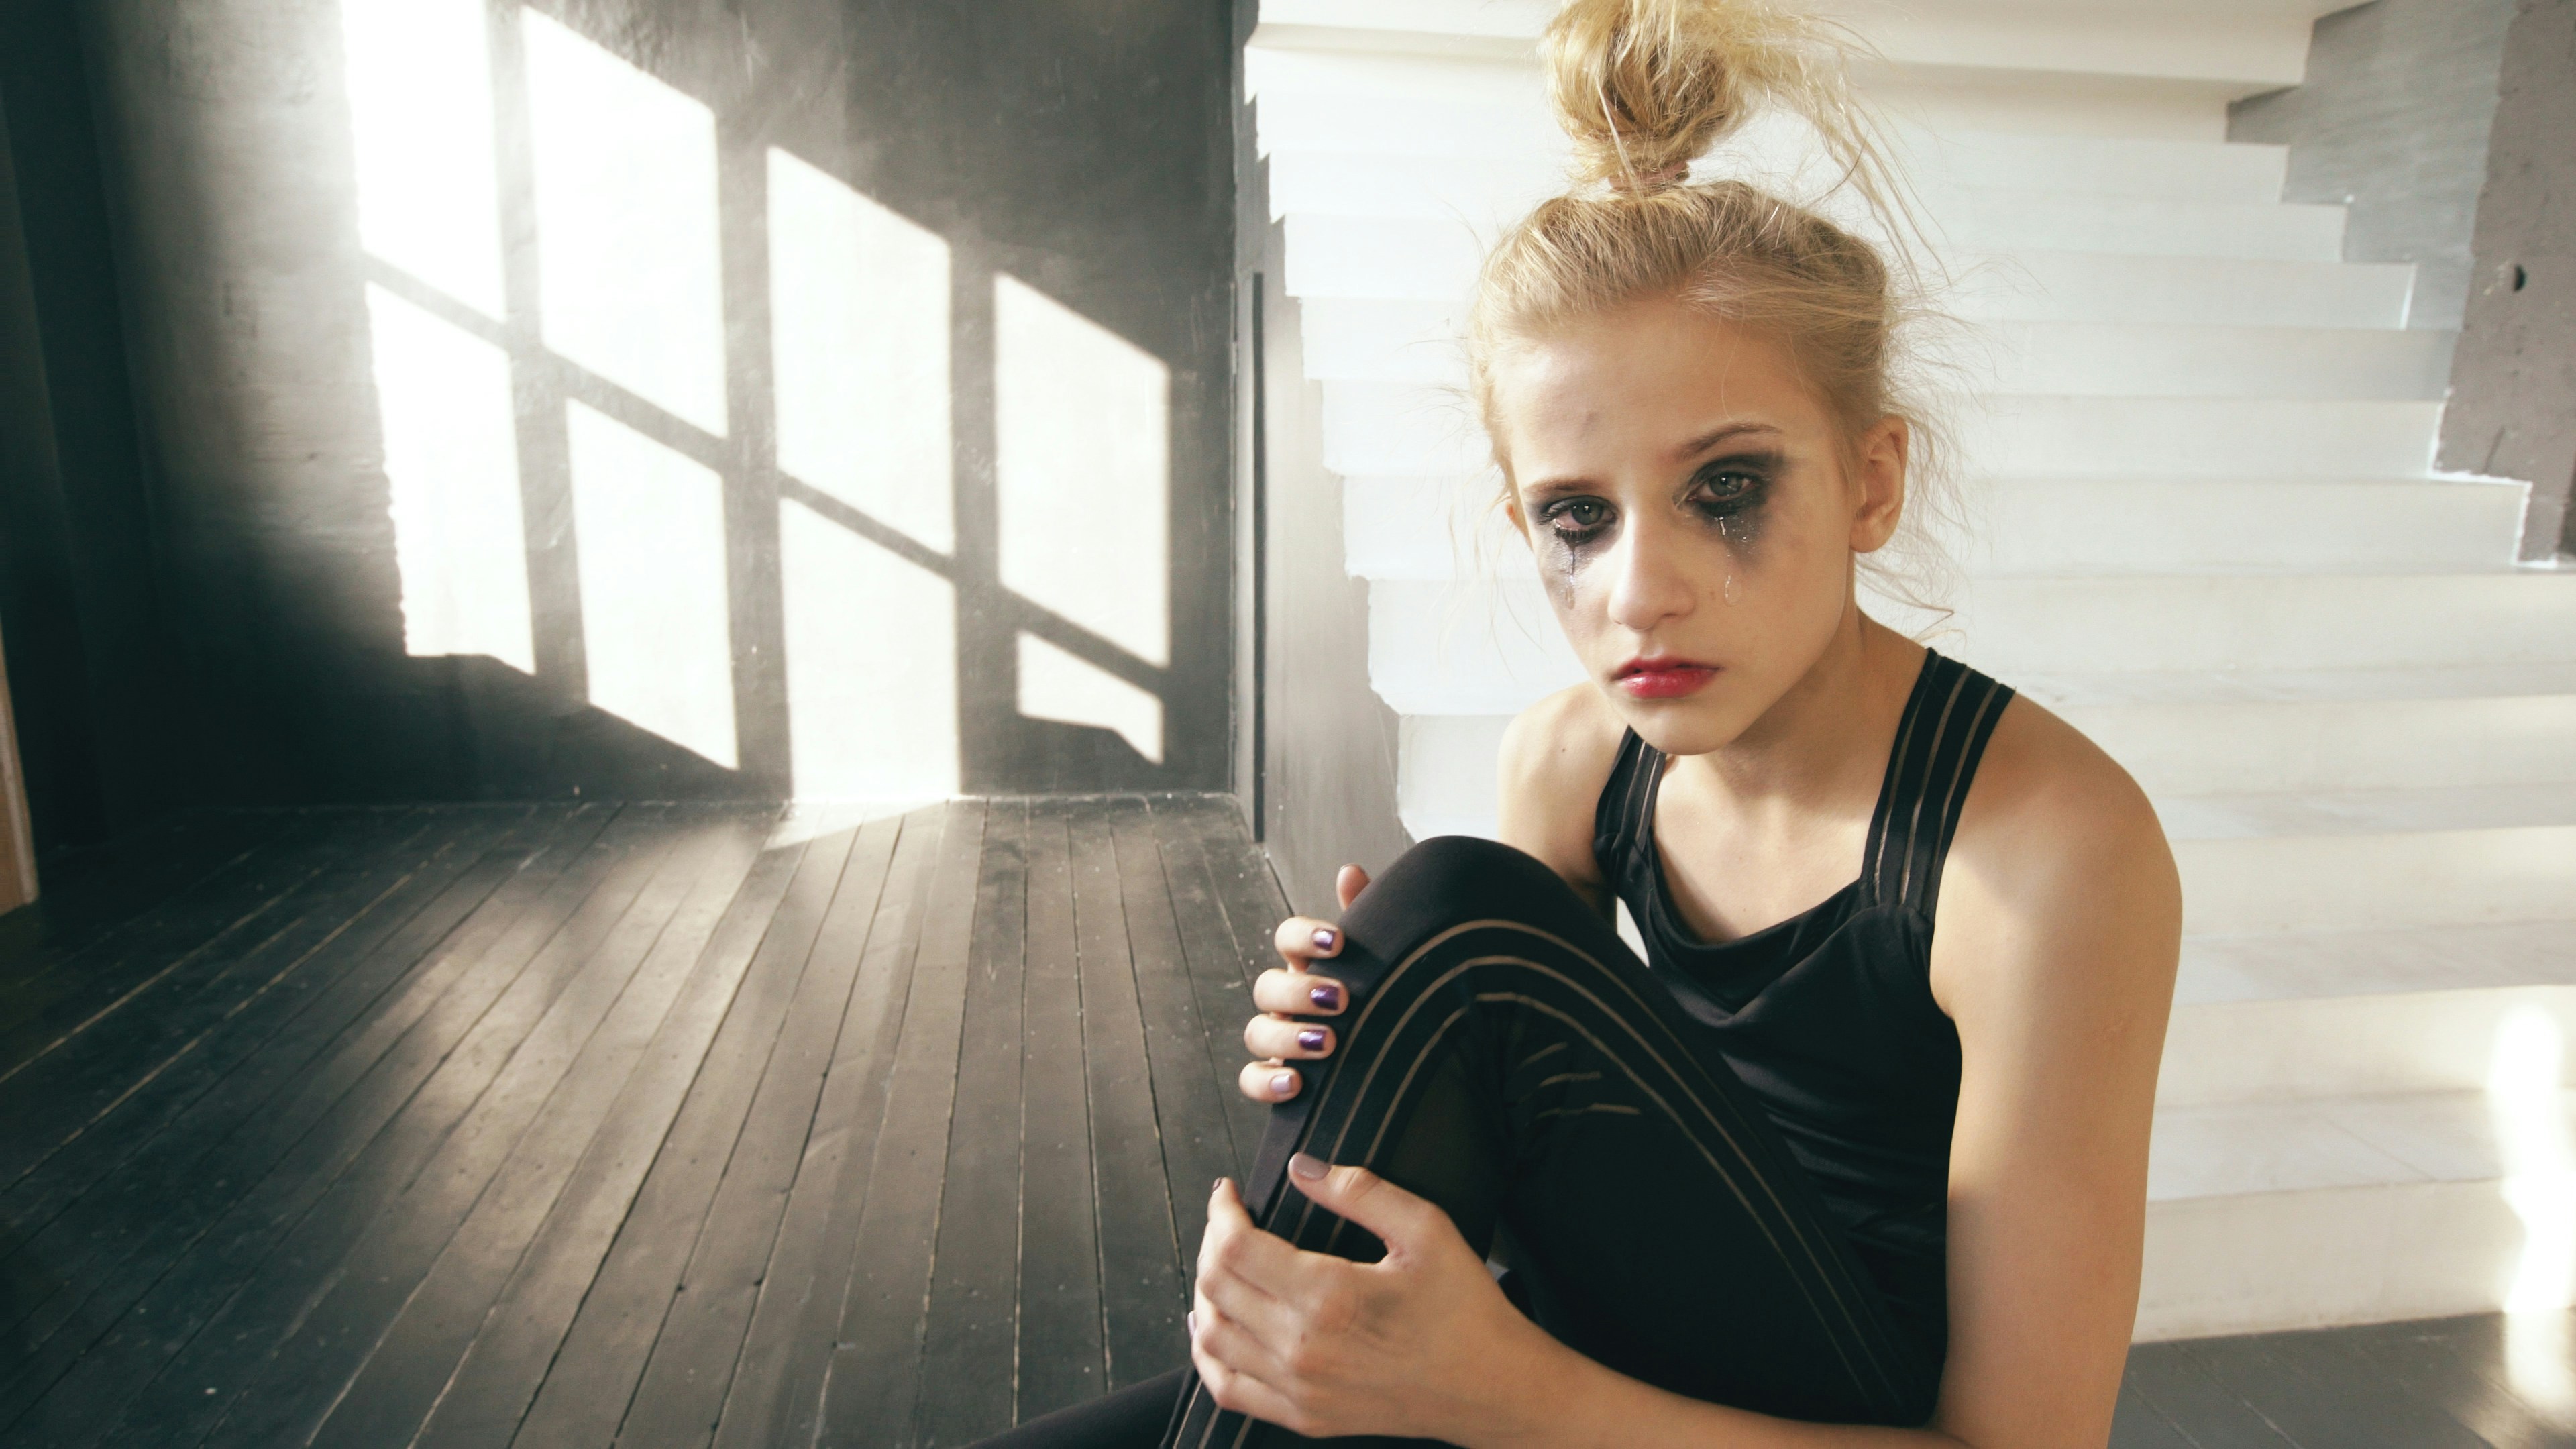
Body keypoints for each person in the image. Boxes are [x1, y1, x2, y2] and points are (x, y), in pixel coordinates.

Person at [982, 0, 2179, 1442]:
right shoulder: (1570, 759)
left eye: (1727, 489)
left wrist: (1507, 1397)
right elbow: (1497, 1143)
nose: (1641, 591)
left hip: (1819, 1413)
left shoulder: (2048, 852)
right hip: (1599, 1360)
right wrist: (1364, 1024)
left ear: (1872, 482)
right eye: (1575, 517)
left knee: (1465, 918)